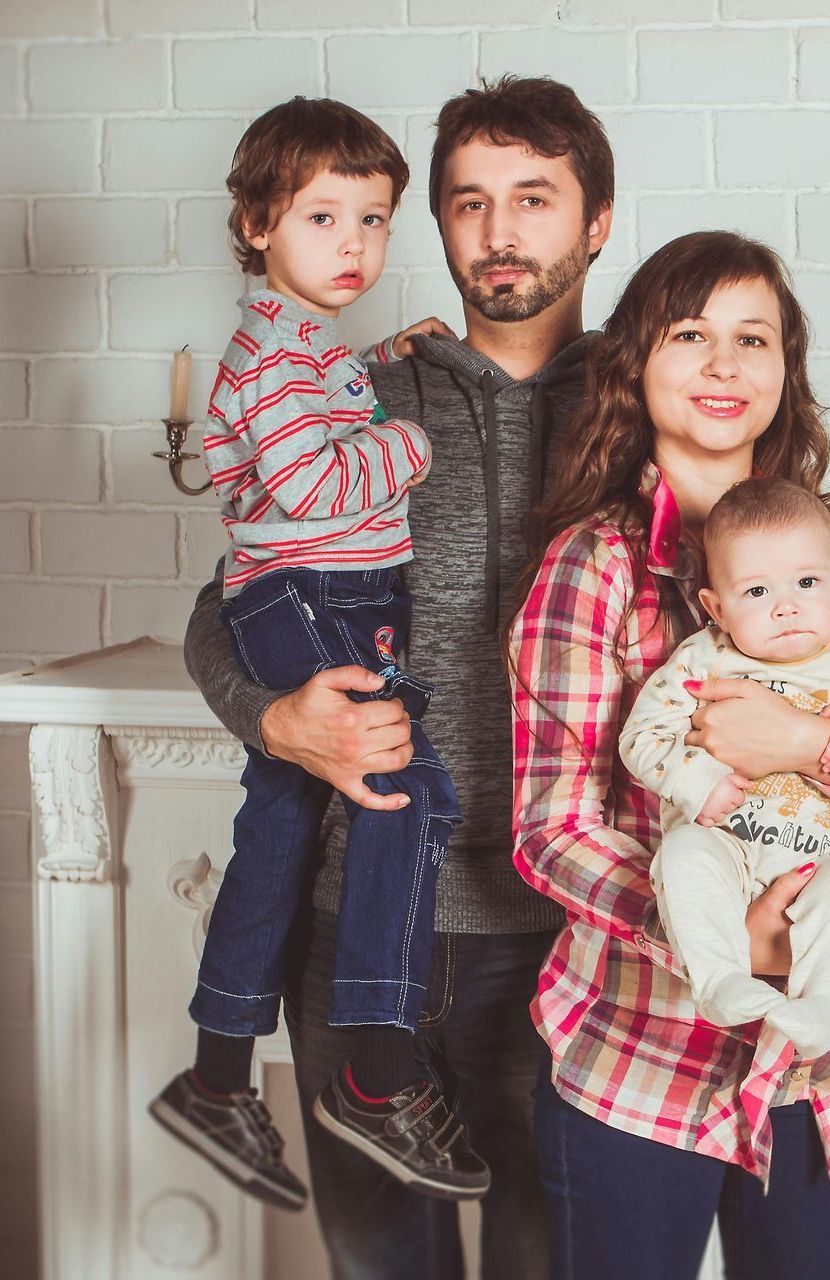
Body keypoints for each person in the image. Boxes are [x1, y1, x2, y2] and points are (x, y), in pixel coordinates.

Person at [508, 230, 830, 1280]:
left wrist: (812, 742)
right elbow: (550, 826)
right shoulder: (590, 565)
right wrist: (718, 933)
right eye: (690, 335)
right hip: (638, 1050)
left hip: (821, 1065)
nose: (723, 365)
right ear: (637, 364)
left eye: (752, 338)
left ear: (786, 370)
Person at [182, 76, 614, 1279]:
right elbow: (227, 607)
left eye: (533, 198)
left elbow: (766, 573)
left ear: (597, 222)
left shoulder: (649, 404)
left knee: (552, 1258)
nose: (499, 230)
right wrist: (273, 717)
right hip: (363, 919)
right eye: (468, 202)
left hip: (563, 934)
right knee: (381, 1265)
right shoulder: (359, 390)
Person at [150, 95, 489, 1209]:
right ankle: (374, 1074)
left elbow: (315, 412)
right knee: (407, 797)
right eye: (322, 218)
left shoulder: (305, 346)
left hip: (314, 592)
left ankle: (215, 1074)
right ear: (256, 222)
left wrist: (383, 361)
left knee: (282, 830)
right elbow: (312, 480)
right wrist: (411, 439)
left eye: (373, 220)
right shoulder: (270, 355)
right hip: (311, 599)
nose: (352, 244)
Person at [618, 475, 830, 1059]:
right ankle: (720, 980)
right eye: (756, 592)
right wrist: (696, 780)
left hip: (815, 863)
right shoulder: (702, 659)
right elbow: (641, 737)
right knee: (683, 857)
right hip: (724, 847)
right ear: (715, 608)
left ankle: (823, 1009)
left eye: (807, 582)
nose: (787, 606)